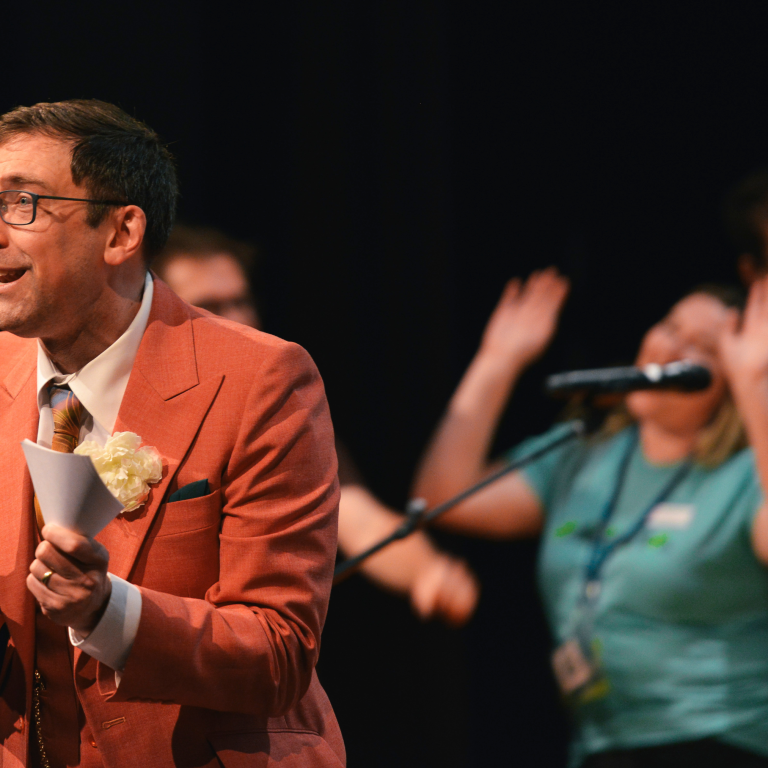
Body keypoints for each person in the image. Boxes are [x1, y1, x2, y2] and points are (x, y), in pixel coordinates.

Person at [0, 100, 344, 767]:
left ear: (121, 231)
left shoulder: (260, 379)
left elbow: (280, 651)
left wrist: (108, 612)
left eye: (23, 204)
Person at [412, 267, 768, 767]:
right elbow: (441, 496)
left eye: (702, 349)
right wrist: (499, 359)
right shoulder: (583, 454)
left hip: (719, 742)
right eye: (669, 326)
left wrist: (758, 385)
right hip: (599, 747)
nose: (668, 349)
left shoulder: (748, 476)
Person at [153, 224, 480, 626]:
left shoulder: (278, 415)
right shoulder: (129, 405)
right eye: (213, 305)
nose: (238, 320)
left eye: (242, 301)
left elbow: (358, 517)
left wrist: (427, 571)